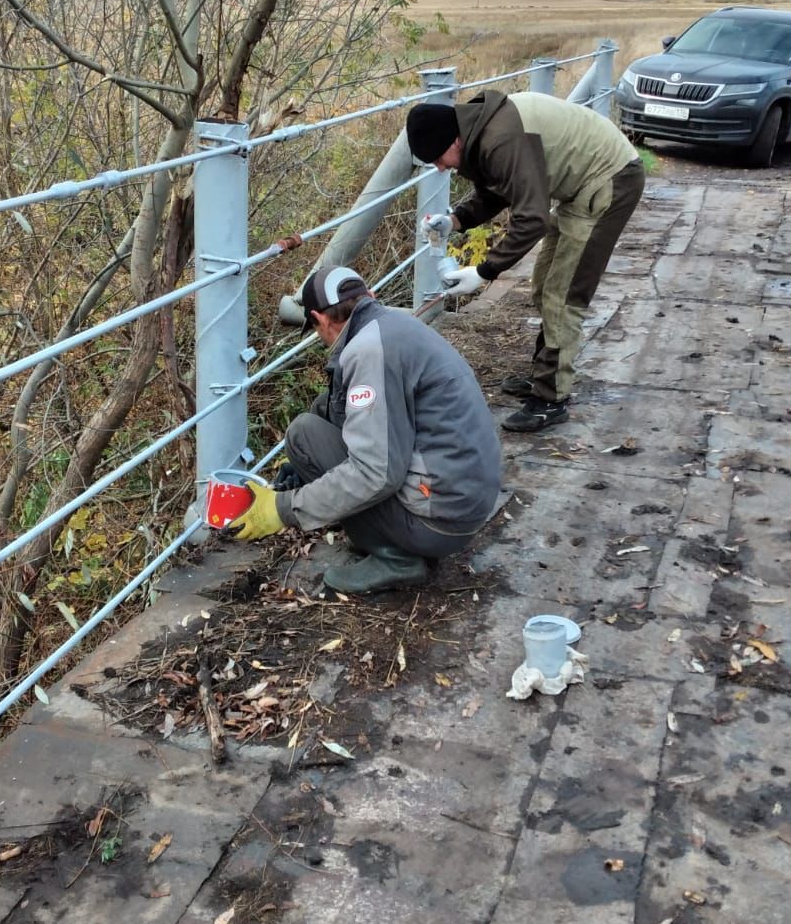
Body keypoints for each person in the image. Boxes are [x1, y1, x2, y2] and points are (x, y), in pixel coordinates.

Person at [228, 266, 502, 594]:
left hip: (439, 520)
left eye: (315, 328)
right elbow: (342, 411)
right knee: (308, 434)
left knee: (304, 435)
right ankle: (392, 539)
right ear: (368, 296)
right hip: (463, 501)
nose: (320, 339)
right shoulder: (393, 324)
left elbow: (376, 472)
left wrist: (283, 508)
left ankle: (397, 558)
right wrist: (303, 470)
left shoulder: (368, 350)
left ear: (321, 318)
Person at [405, 90, 644, 432]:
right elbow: (500, 187)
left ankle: (551, 399)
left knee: (562, 298)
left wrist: (484, 270)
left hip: (610, 180)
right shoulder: (484, 129)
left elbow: (532, 219)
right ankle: (544, 376)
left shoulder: (501, 138)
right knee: (545, 286)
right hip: (580, 188)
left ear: (454, 139)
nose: (441, 168)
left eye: (439, 158)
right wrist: (456, 220)